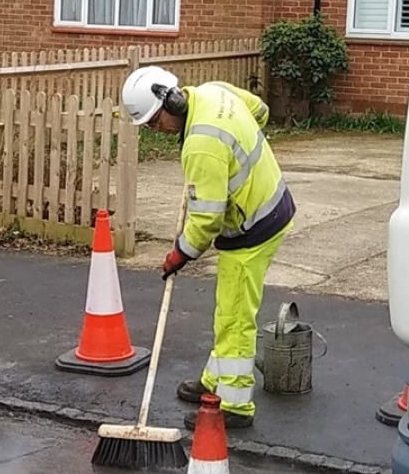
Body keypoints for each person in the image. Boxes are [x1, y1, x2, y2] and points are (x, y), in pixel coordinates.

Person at [121, 66, 295, 429]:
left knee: (234, 316)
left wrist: (179, 254)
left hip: (254, 226)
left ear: (172, 102)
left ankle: (233, 405)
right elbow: (259, 111)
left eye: (154, 123)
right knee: (226, 308)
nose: (157, 131)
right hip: (270, 202)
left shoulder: (201, 145)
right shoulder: (213, 91)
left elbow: (207, 220)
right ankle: (213, 382)